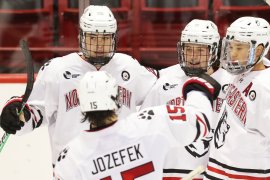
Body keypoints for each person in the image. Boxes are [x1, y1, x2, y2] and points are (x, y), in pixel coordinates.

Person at [0, 5, 157, 168]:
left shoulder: (128, 66)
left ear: (114, 38)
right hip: (71, 168)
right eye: (93, 38)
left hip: (120, 167)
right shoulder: (58, 70)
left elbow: (162, 89)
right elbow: (34, 111)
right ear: (81, 37)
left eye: (105, 38)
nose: (99, 46)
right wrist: (15, 113)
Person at [54, 71, 221, 180]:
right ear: (116, 97)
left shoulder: (70, 157)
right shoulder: (149, 123)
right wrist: (197, 89)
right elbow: (201, 121)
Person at [204, 16, 270, 179]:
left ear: (259, 50)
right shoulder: (243, 70)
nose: (232, 53)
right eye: (231, 47)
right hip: (222, 170)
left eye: (239, 48)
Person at [141, 19, 234, 179]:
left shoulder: (231, 83)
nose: (193, 57)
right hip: (171, 173)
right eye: (188, 49)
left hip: (216, 174)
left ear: (214, 50)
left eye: (200, 51)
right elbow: (144, 130)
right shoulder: (165, 80)